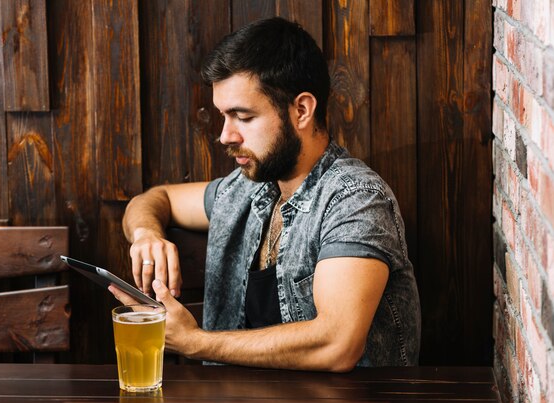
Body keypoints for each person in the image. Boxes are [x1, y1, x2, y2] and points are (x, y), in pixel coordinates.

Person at [110, 17, 420, 372]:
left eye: (242, 117)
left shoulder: (356, 199)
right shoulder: (250, 188)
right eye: (223, 116)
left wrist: (195, 343)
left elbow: (338, 344)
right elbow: (154, 199)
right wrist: (146, 234)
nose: (226, 135)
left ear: (301, 110)